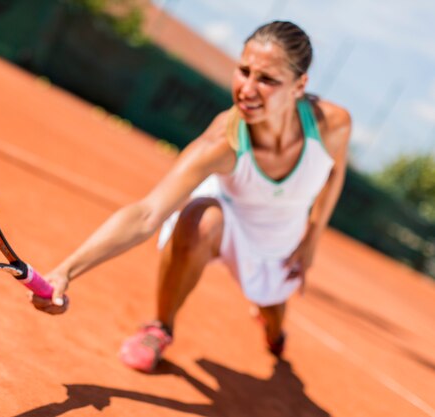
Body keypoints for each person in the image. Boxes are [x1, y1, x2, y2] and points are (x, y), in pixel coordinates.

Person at [30, 21, 351, 372]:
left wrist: (312, 238)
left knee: (274, 316)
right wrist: (65, 272)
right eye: (244, 71)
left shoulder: (332, 125)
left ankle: (270, 325)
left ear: (299, 86)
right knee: (197, 219)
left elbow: (333, 173)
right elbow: (147, 213)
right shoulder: (222, 141)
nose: (247, 89)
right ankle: (160, 326)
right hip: (227, 214)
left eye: (268, 80)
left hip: (279, 234)